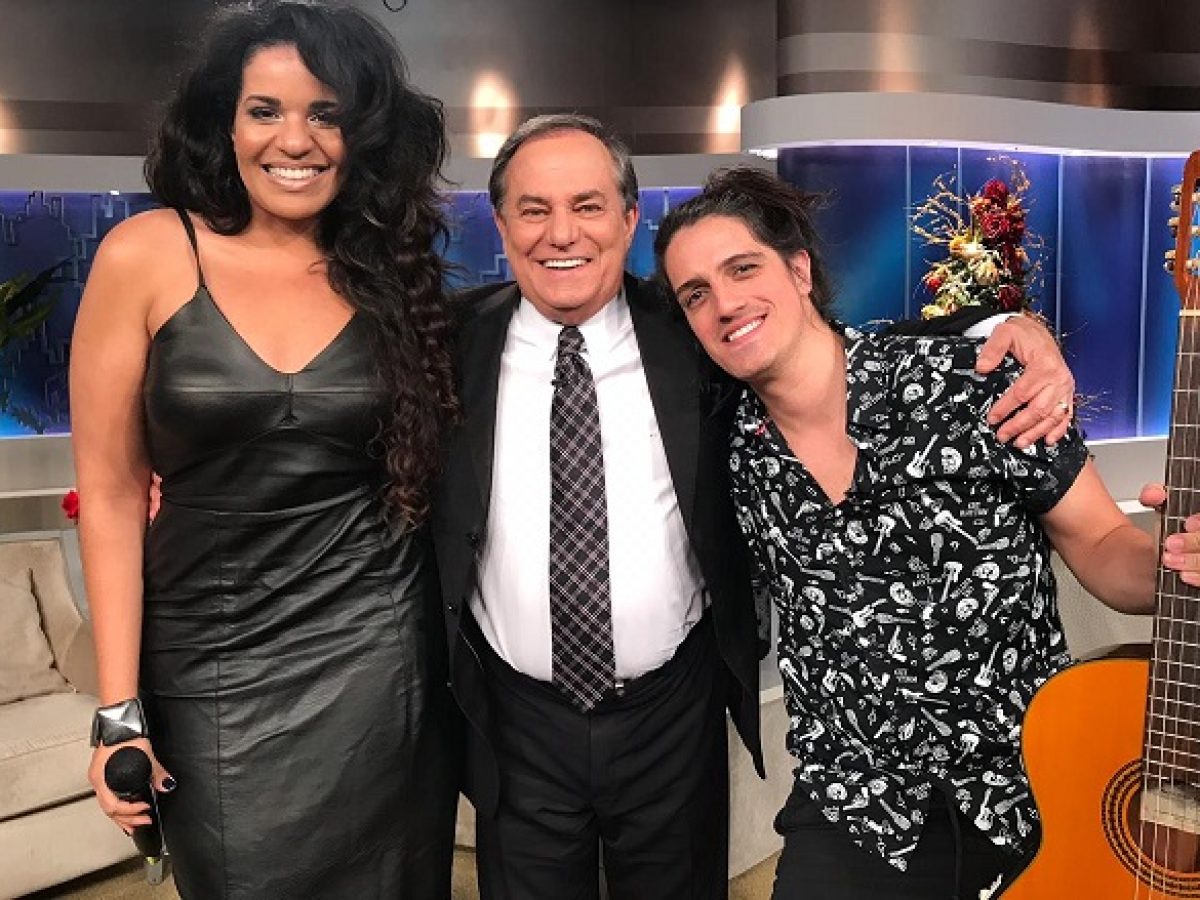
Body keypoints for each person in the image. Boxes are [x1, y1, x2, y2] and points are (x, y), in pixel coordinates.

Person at [430, 114, 1076, 900]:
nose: (561, 232)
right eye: (533, 210)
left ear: (629, 220)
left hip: (672, 717)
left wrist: (1008, 326)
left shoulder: (691, 330)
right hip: (514, 721)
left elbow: (822, 339)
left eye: (588, 205)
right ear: (501, 225)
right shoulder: (447, 345)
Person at [653, 166, 1200, 899]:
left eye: (742, 268)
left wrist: (1174, 563)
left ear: (799, 270)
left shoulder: (969, 380)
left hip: (1031, 783)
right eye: (695, 294)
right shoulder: (722, 451)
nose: (724, 303)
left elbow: (1101, 544)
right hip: (855, 806)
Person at [70, 2, 458, 897]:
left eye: (326, 113)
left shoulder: (391, 274)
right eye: (265, 110)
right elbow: (113, 492)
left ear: (363, 134)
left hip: (376, 658)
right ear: (225, 123)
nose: (295, 140)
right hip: (207, 665)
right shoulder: (146, 254)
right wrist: (117, 709)